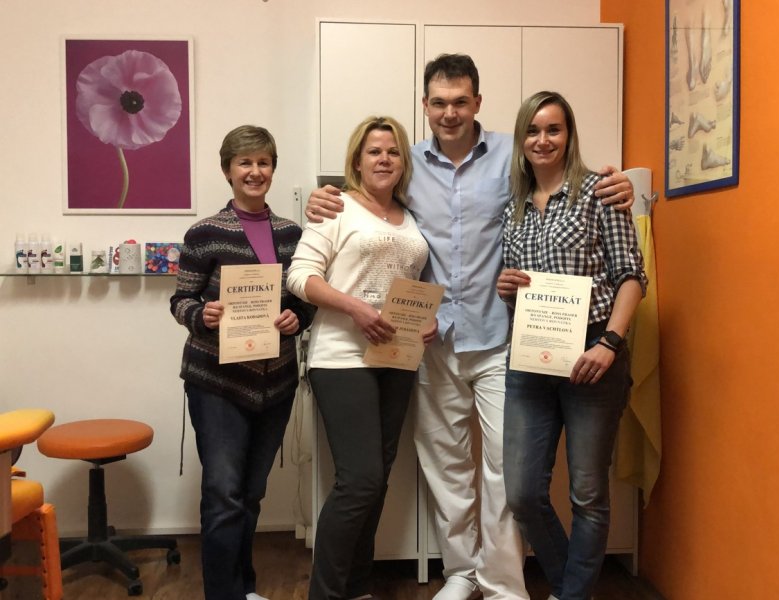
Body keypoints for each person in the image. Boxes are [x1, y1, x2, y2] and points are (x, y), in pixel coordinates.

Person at [305, 54, 635, 600]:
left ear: (478, 102)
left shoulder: (513, 153)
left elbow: (566, 174)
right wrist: (328, 194)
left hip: (503, 339)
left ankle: (502, 582)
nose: (450, 112)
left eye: (461, 101)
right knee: (446, 466)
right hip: (430, 341)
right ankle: (460, 572)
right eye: (439, 102)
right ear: (425, 105)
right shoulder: (407, 162)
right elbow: (369, 193)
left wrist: (617, 183)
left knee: (505, 473)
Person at [496, 91, 647, 600]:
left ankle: (572, 593)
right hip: (531, 353)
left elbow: (631, 276)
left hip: (593, 353)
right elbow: (517, 285)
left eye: (553, 129)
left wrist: (610, 343)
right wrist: (506, 287)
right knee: (521, 492)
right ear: (521, 138)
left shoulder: (600, 192)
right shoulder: (513, 207)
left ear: (569, 135)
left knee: (588, 492)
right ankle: (572, 589)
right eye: (533, 130)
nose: (543, 140)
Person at [287, 116, 436, 600]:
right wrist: (355, 307)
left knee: (378, 480)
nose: (384, 159)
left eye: (392, 151)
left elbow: (416, 285)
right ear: (357, 160)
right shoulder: (336, 207)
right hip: (342, 358)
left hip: (396, 357)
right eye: (374, 151)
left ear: (403, 162)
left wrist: (427, 321)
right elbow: (300, 276)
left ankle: (356, 588)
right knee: (360, 481)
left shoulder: (411, 216)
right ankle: (326, 593)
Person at [170, 125, 316, 600]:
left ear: (273, 169)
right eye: (245, 163)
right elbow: (180, 300)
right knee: (224, 495)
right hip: (217, 382)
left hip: (276, 384)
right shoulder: (205, 232)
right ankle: (223, 593)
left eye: (263, 162)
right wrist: (202, 315)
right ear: (228, 171)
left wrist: (298, 317)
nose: (255, 171)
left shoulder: (293, 234)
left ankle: (243, 587)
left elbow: (305, 300)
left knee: (251, 494)